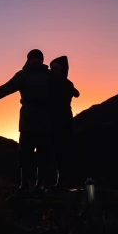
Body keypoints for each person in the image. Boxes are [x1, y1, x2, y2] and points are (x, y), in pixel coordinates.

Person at [0, 49, 52, 194]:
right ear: (29, 60)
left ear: (42, 60)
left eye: (39, 58)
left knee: (43, 155)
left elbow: (62, 85)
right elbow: (6, 88)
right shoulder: (22, 75)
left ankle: (40, 184)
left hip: (46, 121)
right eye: (34, 58)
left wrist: (72, 91)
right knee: (25, 154)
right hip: (28, 120)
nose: (37, 61)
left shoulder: (49, 75)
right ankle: (24, 184)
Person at [47, 55, 80, 191]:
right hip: (54, 120)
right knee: (55, 151)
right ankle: (58, 181)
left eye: (56, 68)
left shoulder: (64, 84)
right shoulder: (55, 82)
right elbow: (76, 93)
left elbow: (76, 93)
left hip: (64, 120)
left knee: (63, 151)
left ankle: (62, 181)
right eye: (52, 68)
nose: (53, 70)